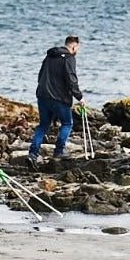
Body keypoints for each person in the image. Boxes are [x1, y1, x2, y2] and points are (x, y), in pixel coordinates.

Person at [27, 35, 83, 165]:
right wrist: (79, 97)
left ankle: (33, 153)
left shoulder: (49, 56)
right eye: (77, 48)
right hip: (59, 98)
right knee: (67, 123)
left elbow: (40, 75)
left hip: (42, 95)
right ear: (74, 46)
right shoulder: (69, 59)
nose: (77, 51)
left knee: (43, 125)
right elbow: (71, 80)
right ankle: (58, 152)